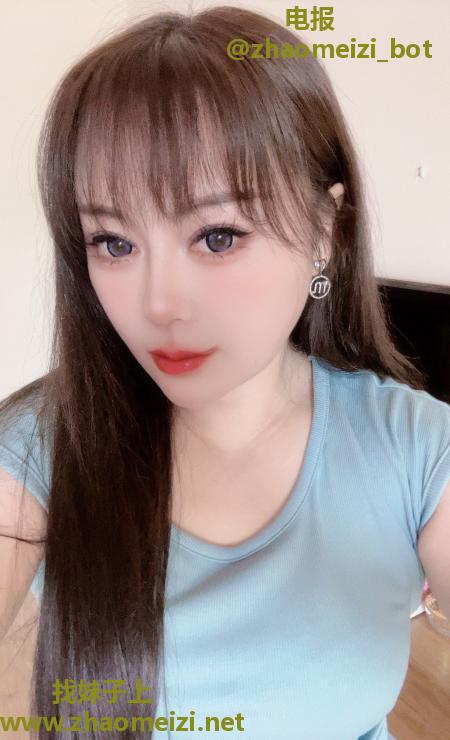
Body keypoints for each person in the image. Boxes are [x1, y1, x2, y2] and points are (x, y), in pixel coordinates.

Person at [0, 5, 448, 739]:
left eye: (217, 236)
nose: (158, 305)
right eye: (114, 243)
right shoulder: (39, 448)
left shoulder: (416, 447)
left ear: (325, 230)